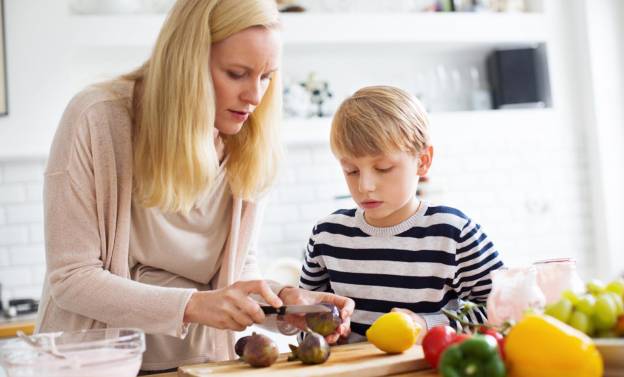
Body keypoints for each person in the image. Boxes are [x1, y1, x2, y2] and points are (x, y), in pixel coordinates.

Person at [36, 0, 353, 373]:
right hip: (93, 367)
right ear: (186, 64)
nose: (255, 95)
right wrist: (193, 305)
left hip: (203, 367)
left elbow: (234, 277)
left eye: (267, 76)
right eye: (237, 73)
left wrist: (284, 303)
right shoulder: (98, 118)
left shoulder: (248, 141)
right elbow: (73, 279)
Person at [299, 86, 504, 343]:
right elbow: (303, 318)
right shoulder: (327, 236)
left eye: (383, 168)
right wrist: (319, 330)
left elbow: (502, 312)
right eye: (351, 170)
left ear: (423, 161)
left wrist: (428, 326)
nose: (365, 186)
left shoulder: (453, 233)